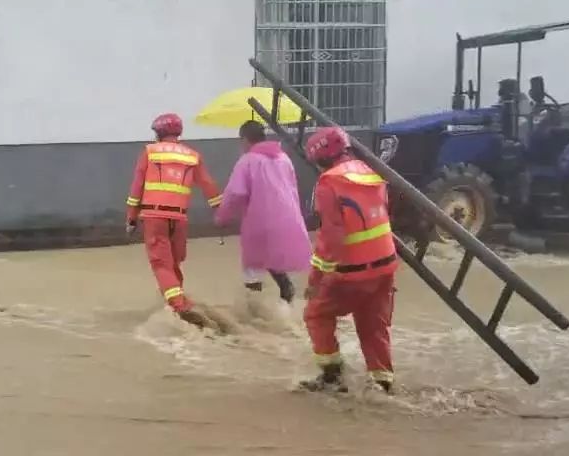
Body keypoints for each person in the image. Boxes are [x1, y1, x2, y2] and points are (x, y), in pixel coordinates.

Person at [300, 126, 399, 394]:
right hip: (386, 265)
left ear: (321, 158)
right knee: (373, 325)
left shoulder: (328, 182)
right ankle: (382, 382)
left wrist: (315, 280)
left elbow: (331, 238)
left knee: (316, 314)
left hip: (352, 271)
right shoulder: (371, 173)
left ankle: (332, 377)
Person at [126, 113, 224, 330]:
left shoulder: (149, 152)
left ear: (158, 133)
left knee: (161, 265)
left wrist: (131, 218)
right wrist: (220, 211)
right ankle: (178, 302)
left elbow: (137, 188)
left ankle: (180, 307)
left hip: (154, 217)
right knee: (173, 264)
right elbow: (208, 184)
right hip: (179, 218)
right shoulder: (192, 155)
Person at [214, 121, 311, 316]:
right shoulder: (284, 158)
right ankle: (287, 305)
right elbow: (293, 188)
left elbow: (235, 193)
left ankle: (255, 315)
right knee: (274, 261)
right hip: (289, 219)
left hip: (259, 222)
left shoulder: (247, 161)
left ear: (245, 139)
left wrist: (221, 217)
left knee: (253, 267)